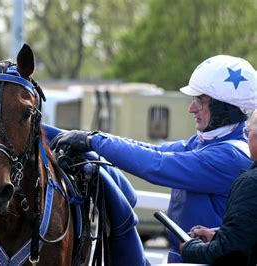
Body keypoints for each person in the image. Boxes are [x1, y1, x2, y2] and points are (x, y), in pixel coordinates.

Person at [50, 55, 256, 263]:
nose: (191, 108)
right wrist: (85, 138)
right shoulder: (207, 144)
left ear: (224, 109)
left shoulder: (229, 156)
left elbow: (155, 164)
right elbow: (152, 150)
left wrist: (93, 141)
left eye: (199, 102)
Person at [180, 110, 257, 265]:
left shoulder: (250, 183)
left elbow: (229, 254)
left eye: (247, 131)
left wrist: (190, 248)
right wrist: (218, 237)